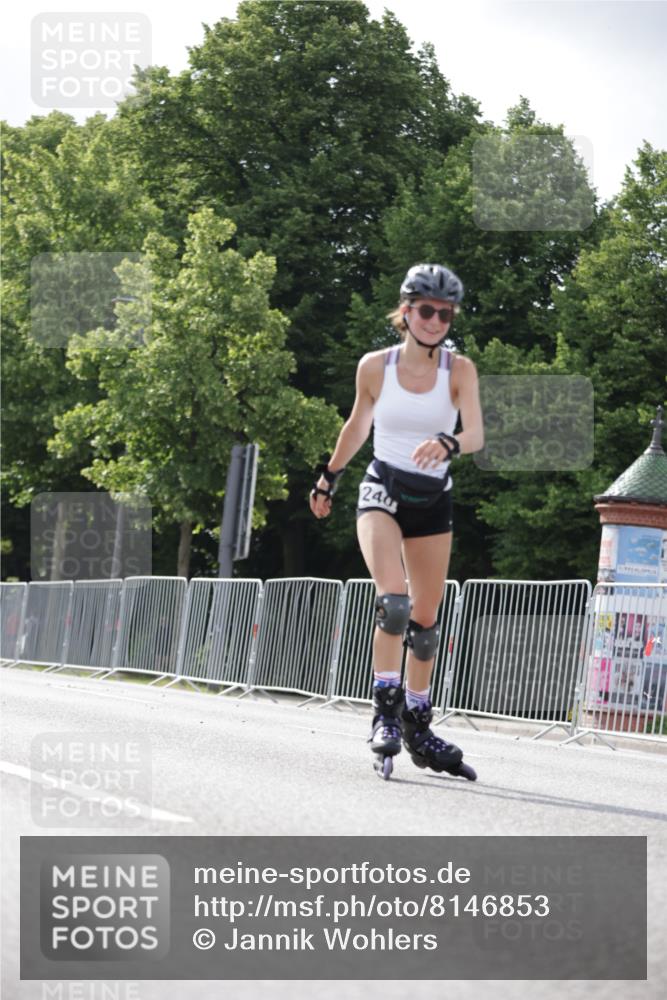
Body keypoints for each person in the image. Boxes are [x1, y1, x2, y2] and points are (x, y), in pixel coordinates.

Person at [309, 263, 484, 779]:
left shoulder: (459, 370)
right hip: (382, 489)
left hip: (432, 500)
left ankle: (417, 723)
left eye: (445, 314)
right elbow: (357, 424)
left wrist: (450, 441)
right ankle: (384, 713)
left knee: (425, 624)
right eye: (426, 310)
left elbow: (475, 434)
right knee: (394, 602)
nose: (435, 321)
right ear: (405, 311)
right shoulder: (375, 367)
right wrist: (328, 477)